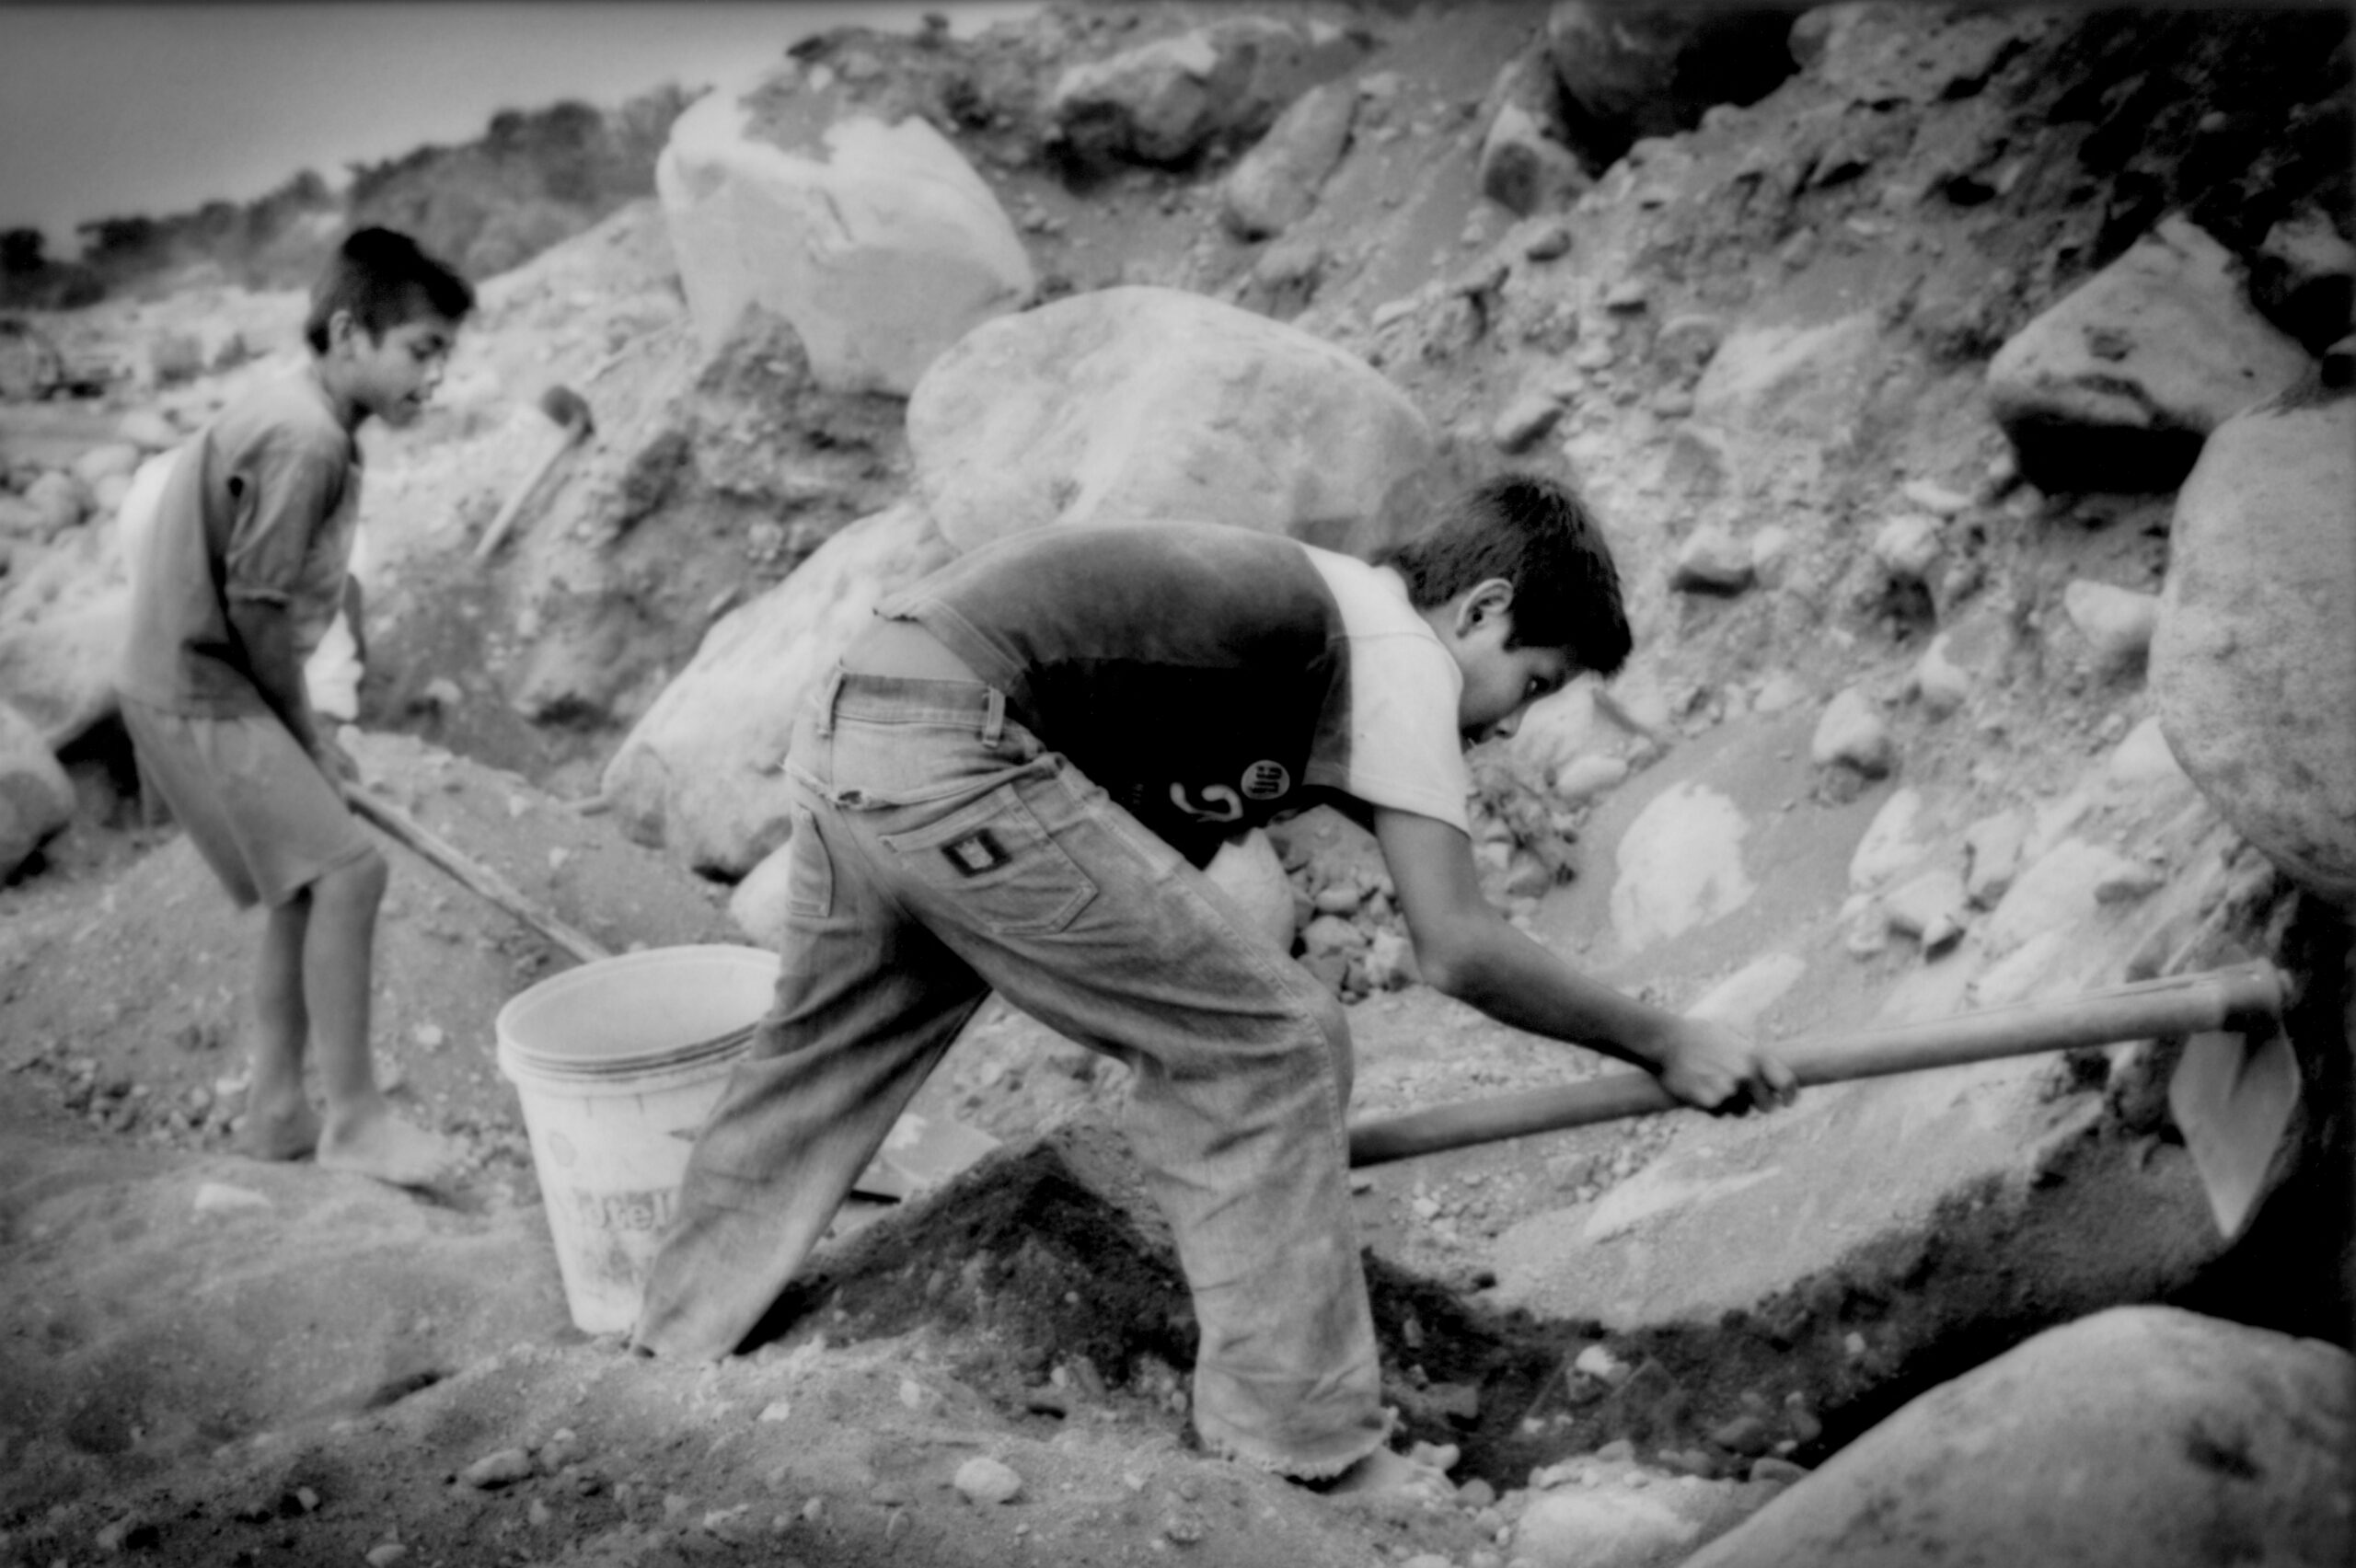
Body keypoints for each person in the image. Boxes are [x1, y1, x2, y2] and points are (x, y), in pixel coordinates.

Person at [630, 475, 1797, 1490]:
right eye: (1535, 683)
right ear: (1481, 611)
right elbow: (1457, 947)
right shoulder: (1389, 645)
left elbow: (1152, 920)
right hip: (957, 744)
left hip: (864, 721)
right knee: (1277, 1044)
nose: (1513, 725)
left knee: (833, 1044)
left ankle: (666, 1353)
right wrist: (1664, 1040)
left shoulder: (1287, 651)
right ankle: (1304, 1444)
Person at [114, 226, 473, 1189]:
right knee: (350, 875)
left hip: (189, 677)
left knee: (303, 887)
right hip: (202, 685)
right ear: (351, 334)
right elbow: (261, 611)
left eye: (444, 354)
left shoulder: (306, 416)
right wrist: (306, 740)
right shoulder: (306, 438)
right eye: (421, 349)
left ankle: (276, 1109)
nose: (434, 377)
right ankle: (354, 1120)